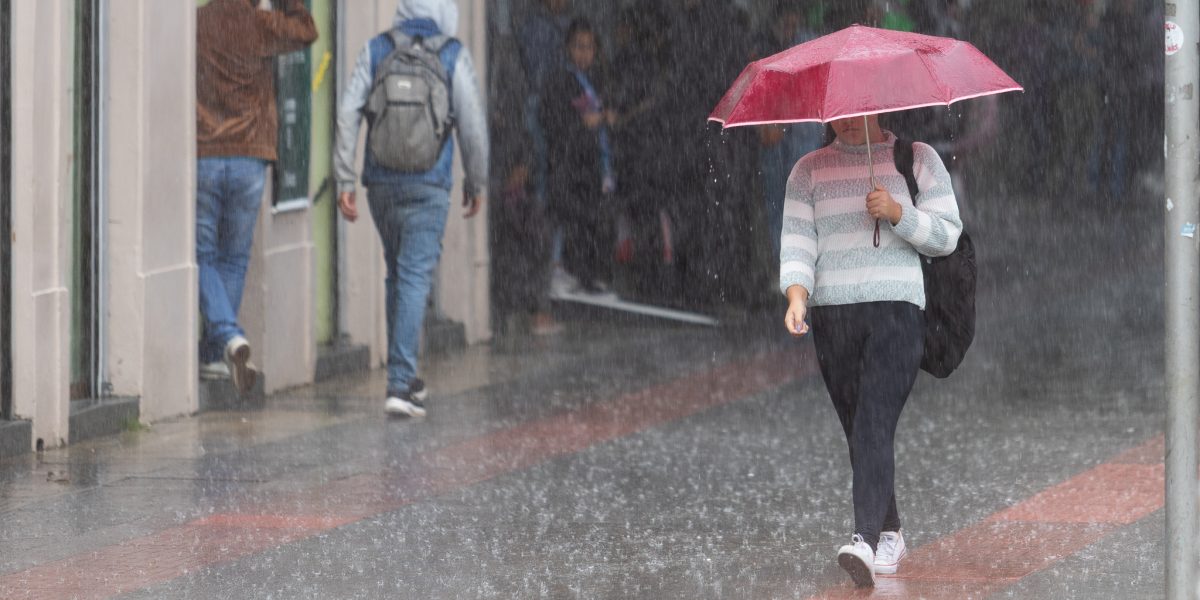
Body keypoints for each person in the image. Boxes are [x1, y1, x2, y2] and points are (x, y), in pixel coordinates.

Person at [780, 114, 961, 586]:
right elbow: (798, 243)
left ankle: (863, 538)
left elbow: (948, 237)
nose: (842, 120)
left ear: (876, 107)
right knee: (858, 427)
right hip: (833, 316)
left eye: (853, 109)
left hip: (898, 310)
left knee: (874, 420)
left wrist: (899, 213)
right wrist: (797, 296)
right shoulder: (807, 171)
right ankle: (891, 532)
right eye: (834, 113)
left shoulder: (917, 160)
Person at [334, 0, 488, 417]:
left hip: (381, 183)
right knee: (416, 274)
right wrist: (476, 181)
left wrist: (344, 177)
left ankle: (406, 375)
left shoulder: (377, 49)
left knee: (398, 273)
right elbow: (472, 123)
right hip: (428, 182)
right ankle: (400, 383)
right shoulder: (452, 54)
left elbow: (348, 111)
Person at [195, 0, 317, 392]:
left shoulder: (201, 21)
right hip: (250, 154)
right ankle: (222, 344)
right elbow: (307, 30)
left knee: (201, 255)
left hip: (206, 152)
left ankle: (222, 342)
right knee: (232, 257)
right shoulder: (260, 23)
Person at [540, 18, 616, 295]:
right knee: (566, 218)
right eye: (578, 47)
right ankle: (559, 270)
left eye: (589, 47)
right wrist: (584, 123)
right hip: (568, 163)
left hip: (592, 165)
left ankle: (588, 275)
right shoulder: (559, 79)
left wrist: (604, 118)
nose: (584, 53)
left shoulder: (596, 80)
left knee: (591, 221)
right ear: (567, 48)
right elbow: (554, 120)